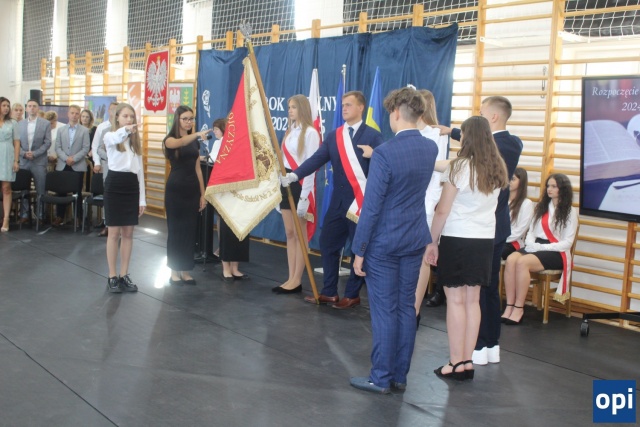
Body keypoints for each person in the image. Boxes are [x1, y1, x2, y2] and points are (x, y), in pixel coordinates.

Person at [348, 87, 437, 394]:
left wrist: (359, 250)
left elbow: (372, 208)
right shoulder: (430, 148)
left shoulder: (385, 152)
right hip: (414, 238)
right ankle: (399, 375)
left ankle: (381, 377)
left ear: (396, 113)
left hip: (384, 243)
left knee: (385, 311)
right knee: (405, 308)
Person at [438, 96, 522, 366]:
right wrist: (451, 131)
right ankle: (483, 347)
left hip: (476, 232)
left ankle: (478, 347)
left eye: (482, 112)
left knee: (473, 295)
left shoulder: (505, 145)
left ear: (493, 117)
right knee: (481, 294)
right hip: (487, 231)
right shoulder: (499, 153)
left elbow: (476, 146)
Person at [280, 91, 383, 308]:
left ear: (361, 107)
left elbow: (384, 168)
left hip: (360, 204)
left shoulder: (373, 136)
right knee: (327, 243)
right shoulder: (335, 135)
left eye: (349, 105)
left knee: (357, 249)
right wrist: (295, 175)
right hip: (337, 202)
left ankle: (352, 294)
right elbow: (316, 159)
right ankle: (329, 291)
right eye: (342, 105)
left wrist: (374, 155)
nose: (344, 108)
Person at [425, 115, 509, 381]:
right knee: (473, 301)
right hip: (484, 241)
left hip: (458, 239)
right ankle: (467, 361)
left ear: (466, 137)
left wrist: (432, 241)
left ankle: (455, 362)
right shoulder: (497, 167)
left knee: (456, 301)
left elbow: (442, 210)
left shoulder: (459, 166)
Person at [501, 173, 578, 325]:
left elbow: (567, 243)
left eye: (554, 186)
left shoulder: (570, 212)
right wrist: (530, 243)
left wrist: (542, 247)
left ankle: (519, 308)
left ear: (563, 189)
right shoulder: (541, 207)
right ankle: (509, 305)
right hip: (536, 246)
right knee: (511, 259)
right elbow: (531, 231)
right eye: (548, 186)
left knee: (522, 262)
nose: (549, 189)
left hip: (556, 251)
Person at [274, 95, 320, 294]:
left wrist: (304, 197)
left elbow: (311, 166)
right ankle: (290, 277)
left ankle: (297, 279)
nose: (290, 110)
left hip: (300, 185)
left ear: (302, 108)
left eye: (293, 107)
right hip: (286, 183)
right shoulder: (290, 131)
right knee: (290, 233)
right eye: (289, 107)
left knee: (300, 234)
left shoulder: (311, 133)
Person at [163, 106, 209, 285]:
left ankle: (185, 270)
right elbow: (181, 142)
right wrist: (197, 134)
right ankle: (174, 271)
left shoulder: (194, 142)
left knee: (190, 230)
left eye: (191, 118)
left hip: (192, 189)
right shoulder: (169, 140)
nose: (189, 122)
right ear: (178, 120)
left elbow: (198, 169)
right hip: (176, 190)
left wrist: (203, 194)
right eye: (186, 119)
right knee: (176, 231)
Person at [414, 89, 449, 319]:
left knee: (421, 259)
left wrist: (429, 206)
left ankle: (414, 308)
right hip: (406, 203)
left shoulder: (437, 134)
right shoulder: (406, 131)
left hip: (425, 202)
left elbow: (438, 174)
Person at [103, 103, 146, 293]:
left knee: (128, 233)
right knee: (113, 233)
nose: (129, 119)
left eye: (132, 116)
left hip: (131, 186)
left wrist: (142, 199)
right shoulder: (110, 136)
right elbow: (116, 137)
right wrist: (126, 130)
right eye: (125, 116)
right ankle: (112, 275)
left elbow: (140, 172)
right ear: (117, 118)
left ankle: (124, 274)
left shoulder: (135, 142)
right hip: (115, 184)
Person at [53, 105, 91, 227]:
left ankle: (78, 217)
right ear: (68, 114)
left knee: (77, 192)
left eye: (76, 113)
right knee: (61, 191)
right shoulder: (61, 130)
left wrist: (74, 158)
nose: (74, 115)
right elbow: (58, 147)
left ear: (79, 115)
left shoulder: (84, 131)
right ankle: (60, 216)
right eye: (72, 113)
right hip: (63, 164)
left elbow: (85, 148)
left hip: (77, 164)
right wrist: (66, 158)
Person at [18, 99, 51, 223]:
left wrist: (35, 153)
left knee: (41, 189)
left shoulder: (45, 123)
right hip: (24, 160)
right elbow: (16, 142)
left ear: (38, 108)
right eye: (30, 106)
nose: (32, 108)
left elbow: (47, 142)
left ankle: (41, 215)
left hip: (39, 160)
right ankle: (24, 214)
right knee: (24, 189)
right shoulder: (20, 124)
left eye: (34, 106)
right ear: (26, 108)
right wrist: (23, 153)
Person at [92, 101, 118, 237]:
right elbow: (97, 148)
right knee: (107, 195)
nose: (114, 112)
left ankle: (119, 225)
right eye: (112, 110)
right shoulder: (104, 129)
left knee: (118, 197)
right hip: (108, 166)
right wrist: (108, 158)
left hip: (122, 170)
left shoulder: (125, 131)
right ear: (109, 111)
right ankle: (107, 224)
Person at [502, 167, 534, 260]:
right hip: (497, 239)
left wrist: (500, 238)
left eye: (513, 179)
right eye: (508, 178)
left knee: (493, 252)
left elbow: (520, 230)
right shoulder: (501, 201)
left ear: (521, 182)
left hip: (513, 242)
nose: (509, 182)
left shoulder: (526, 203)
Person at [0, 97, 20, 232]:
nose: (6, 108)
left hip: (7, 155)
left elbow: (17, 142)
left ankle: (6, 218)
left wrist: (16, 161)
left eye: (8, 105)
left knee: (6, 188)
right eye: (4, 105)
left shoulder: (13, 123)